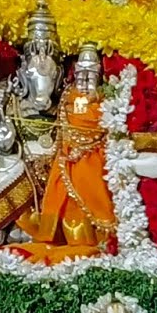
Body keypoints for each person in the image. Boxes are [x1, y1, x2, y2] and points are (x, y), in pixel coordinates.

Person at [14, 43, 117, 264]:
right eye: (82, 74)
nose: (86, 80)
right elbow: (74, 115)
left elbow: (96, 122)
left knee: (97, 201)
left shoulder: (105, 100)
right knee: (65, 203)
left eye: (91, 75)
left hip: (95, 161)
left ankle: (96, 242)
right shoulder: (70, 97)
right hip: (68, 160)